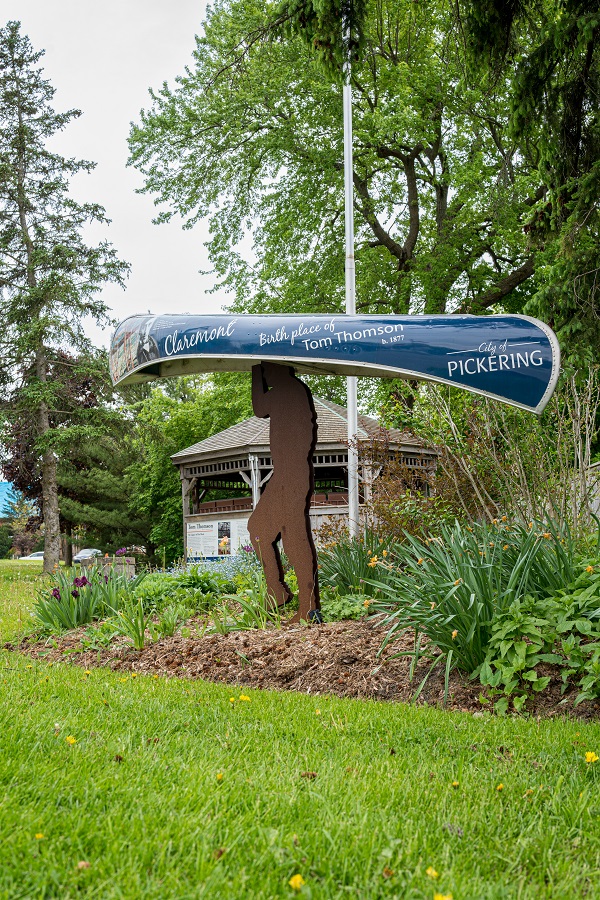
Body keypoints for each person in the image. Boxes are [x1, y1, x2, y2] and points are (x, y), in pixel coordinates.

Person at [248, 361, 322, 624]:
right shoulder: (295, 390)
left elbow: (259, 407)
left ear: (278, 369)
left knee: (263, 530)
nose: (266, 376)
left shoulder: (287, 391)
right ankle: (305, 605)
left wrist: (255, 369)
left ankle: (282, 593)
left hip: (289, 476)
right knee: (289, 539)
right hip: (291, 474)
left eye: (268, 370)